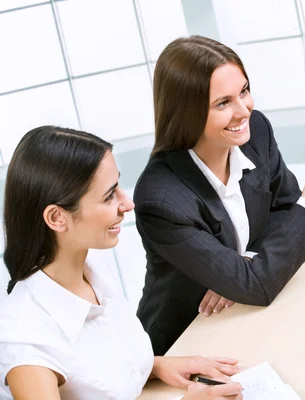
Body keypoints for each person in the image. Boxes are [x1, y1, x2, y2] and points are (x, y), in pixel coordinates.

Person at [134, 35, 305, 355]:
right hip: (186, 339)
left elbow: (283, 207)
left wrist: (245, 264)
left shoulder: (255, 133)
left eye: (244, 91)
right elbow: (258, 286)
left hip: (242, 317)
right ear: (187, 113)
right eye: (223, 103)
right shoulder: (161, 200)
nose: (244, 110)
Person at [0, 126, 243, 399]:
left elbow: (97, 374)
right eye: (109, 195)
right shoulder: (27, 338)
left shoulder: (92, 269)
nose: (128, 203)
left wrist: (154, 366)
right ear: (57, 218)